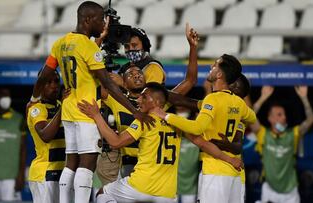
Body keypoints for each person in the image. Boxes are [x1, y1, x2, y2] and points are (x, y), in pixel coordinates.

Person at [29, 1, 153, 203]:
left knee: (71, 163)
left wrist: (34, 98)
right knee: (87, 164)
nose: (103, 24)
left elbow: (45, 73)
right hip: (87, 111)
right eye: (100, 20)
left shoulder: (60, 43)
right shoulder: (88, 46)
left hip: (68, 108)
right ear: (87, 19)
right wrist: (134, 110)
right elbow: (109, 84)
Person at [78, 82, 243, 203]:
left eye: (144, 96)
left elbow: (115, 142)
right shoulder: (176, 122)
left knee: (102, 194)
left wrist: (97, 116)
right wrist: (230, 159)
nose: (139, 100)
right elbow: (204, 144)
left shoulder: (145, 120)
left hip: (139, 187)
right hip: (167, 195)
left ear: (157, 103)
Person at [101, 23, 199, 179]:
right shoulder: (118, 99)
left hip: (150, 161)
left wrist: (193, 48)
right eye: (126, 46)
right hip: (129, 162)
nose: (130, 50)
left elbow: (188, 82)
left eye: (134, 45)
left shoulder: (154, 89)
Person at [153, 55, 257, 203]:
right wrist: (238, 124)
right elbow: (252, 117)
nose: (210, 67)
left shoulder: (212, 99)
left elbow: (197, 128)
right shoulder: (238, 104)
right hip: (234, 172)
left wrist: (166, 116)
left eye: (215, 65)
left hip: (215, 169)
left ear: (220, 74)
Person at [250, 85, 313, 203]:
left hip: (290, 192)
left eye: (284, 114)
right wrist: (262, 98)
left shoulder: (293, 134)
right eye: (279, 115)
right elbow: (249, 117)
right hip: (269, 190)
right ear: (270, 118)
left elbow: (310, 119)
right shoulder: (263, 134)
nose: (284, 117)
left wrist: (304, 98)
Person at [27, 70, 69, 203]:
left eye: (56, 81)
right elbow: (45, 135)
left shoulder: (62, 105)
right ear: (40, 86)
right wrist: (63, 108)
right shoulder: (37, 109)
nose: (54, 86)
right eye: (48, 82)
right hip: (45, 173)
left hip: (65, 172)